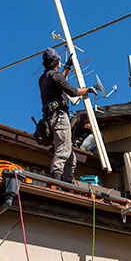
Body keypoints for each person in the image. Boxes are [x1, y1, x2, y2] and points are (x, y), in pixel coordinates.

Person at [38, 48, 96, 182]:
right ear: (56, 61)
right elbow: (73, 92)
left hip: (49, 117)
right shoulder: (55, 76)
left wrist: (68, 67)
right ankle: (56, 181)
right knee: (63, 149)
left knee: (70, 158)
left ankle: (68, 183)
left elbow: (59, 80)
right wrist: (88, 89)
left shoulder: (43, 78)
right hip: (59, 116)